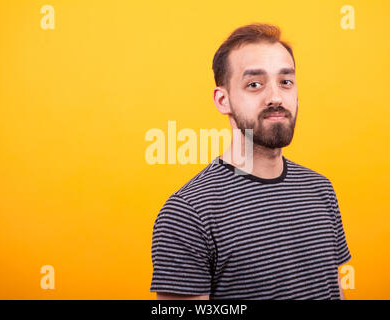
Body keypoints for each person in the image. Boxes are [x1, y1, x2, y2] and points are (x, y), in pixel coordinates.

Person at [150, 23, 351, 300]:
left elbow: (334, 290)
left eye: (285, 82)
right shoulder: (187, 215)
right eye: (254, 84)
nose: (276, 97)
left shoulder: (320, 188)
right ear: (223, 100)